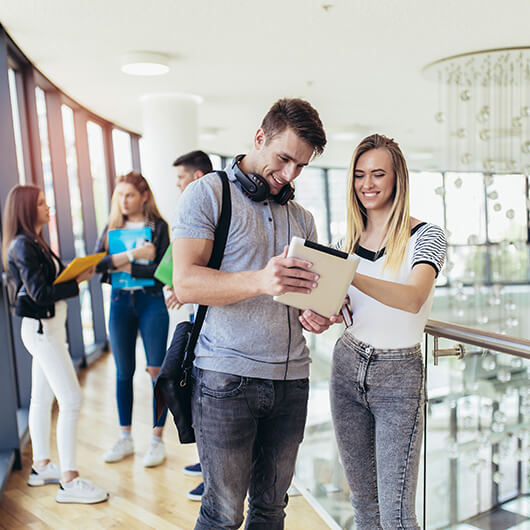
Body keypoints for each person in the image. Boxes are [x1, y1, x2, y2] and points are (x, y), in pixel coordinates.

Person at [172, 98, 341, 529]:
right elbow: (187, 282)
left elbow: (306, 297)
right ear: (259, 137)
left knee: (271, 510)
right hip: (225, 379)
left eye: (301, 166)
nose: (289, 174)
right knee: (223, 513)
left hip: (291, 383)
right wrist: (260, 281)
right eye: (284, 159)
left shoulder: (302, 217)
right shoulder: (207, 193)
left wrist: (318, 315)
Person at [330, 134, 446, 529]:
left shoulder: (427, 235)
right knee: (365, 508)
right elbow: (331, 306)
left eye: (378, 174)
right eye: (360, 175)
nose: (368, 184)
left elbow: (414, 297)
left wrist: (351, 275)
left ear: (398, 179)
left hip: (399, 377)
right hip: (347, 366)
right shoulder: (343, 242)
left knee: (397, 516)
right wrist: (318, 313)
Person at [2, 185, 108, 504]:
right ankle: (69, 482)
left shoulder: (33, 242)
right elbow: (41, 293)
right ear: (25, 209)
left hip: (47, 329)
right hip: (42, 331)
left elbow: (47, 282)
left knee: (41, 399)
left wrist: (74, 273)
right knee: (71, 400)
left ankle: (42, 467)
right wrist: (75, 281)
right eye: (41, 203)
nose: (49, 208)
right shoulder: (22, 245)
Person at [94, 171, 170, 468]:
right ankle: (125, 438)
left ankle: (156, 440)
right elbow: (98, 266)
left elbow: (163, 273)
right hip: (119, 303)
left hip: (152, 302)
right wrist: (136, 255)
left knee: (156, 371)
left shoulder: (159, 227)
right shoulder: (113, 227)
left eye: (129, 195)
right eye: (119, 195)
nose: (123, 201)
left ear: (144, 197)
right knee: (123, 371)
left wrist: (127, 267)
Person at [167, 150, 213, 502]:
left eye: (181, 179)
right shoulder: (197, 215)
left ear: (197, 178)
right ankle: (208, 462)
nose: (178, 186)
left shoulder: (208, 213)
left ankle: (212, 471)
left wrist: (187, 288)